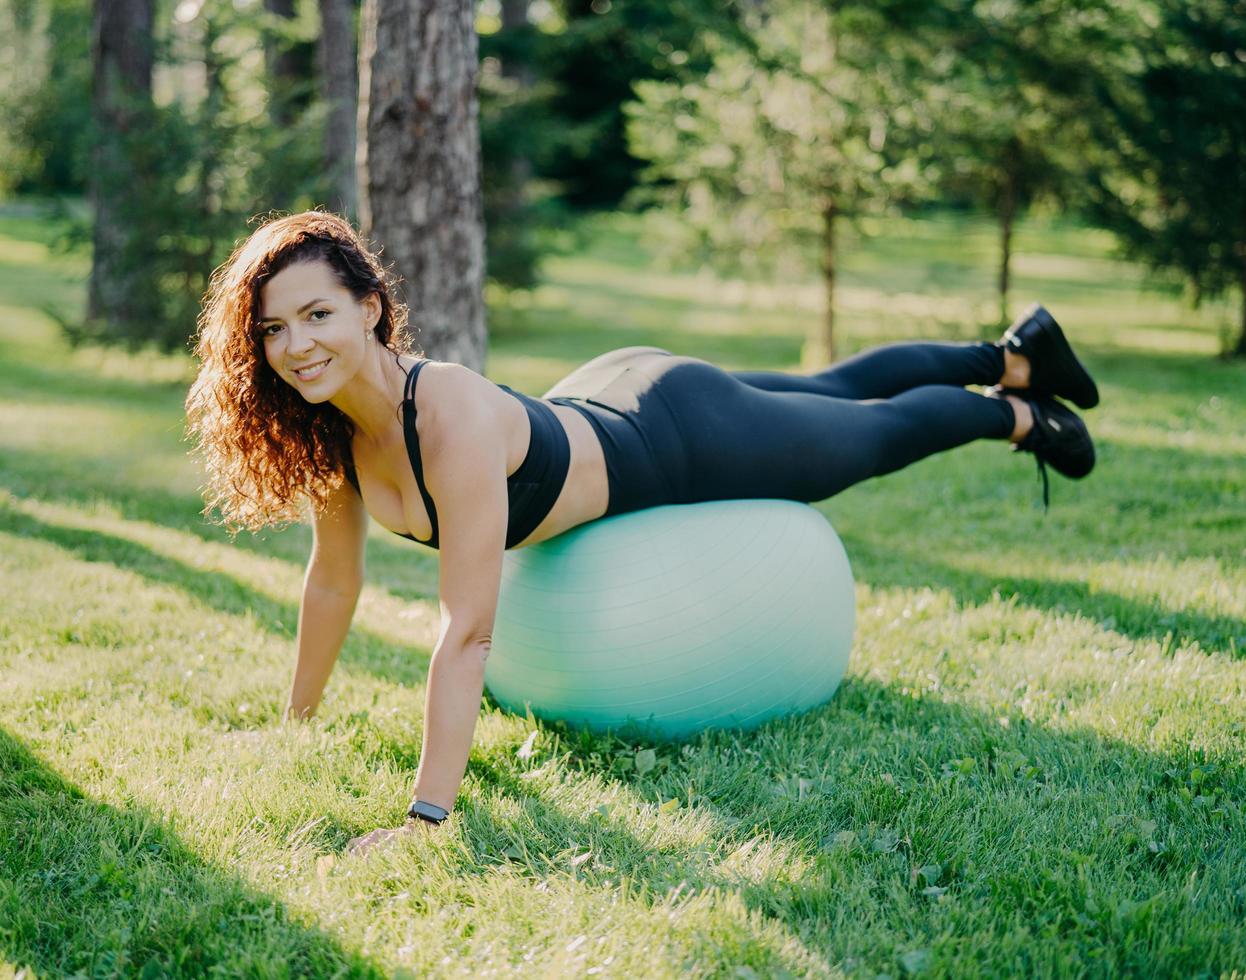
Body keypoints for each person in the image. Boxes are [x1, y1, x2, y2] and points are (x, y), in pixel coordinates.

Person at [185, 210, 1100, 857]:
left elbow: (467, 629)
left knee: (863, 435)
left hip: (675, 436)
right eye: (273, 329)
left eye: (318, 315)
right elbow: (332, 583)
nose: (297, 344)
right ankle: (1020, 349)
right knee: (824, 392)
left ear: (371, 308)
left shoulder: (448, 413)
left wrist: (429, 818)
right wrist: (294, 723)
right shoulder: (331, 437)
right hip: (609, 390)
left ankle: (1018, 411)